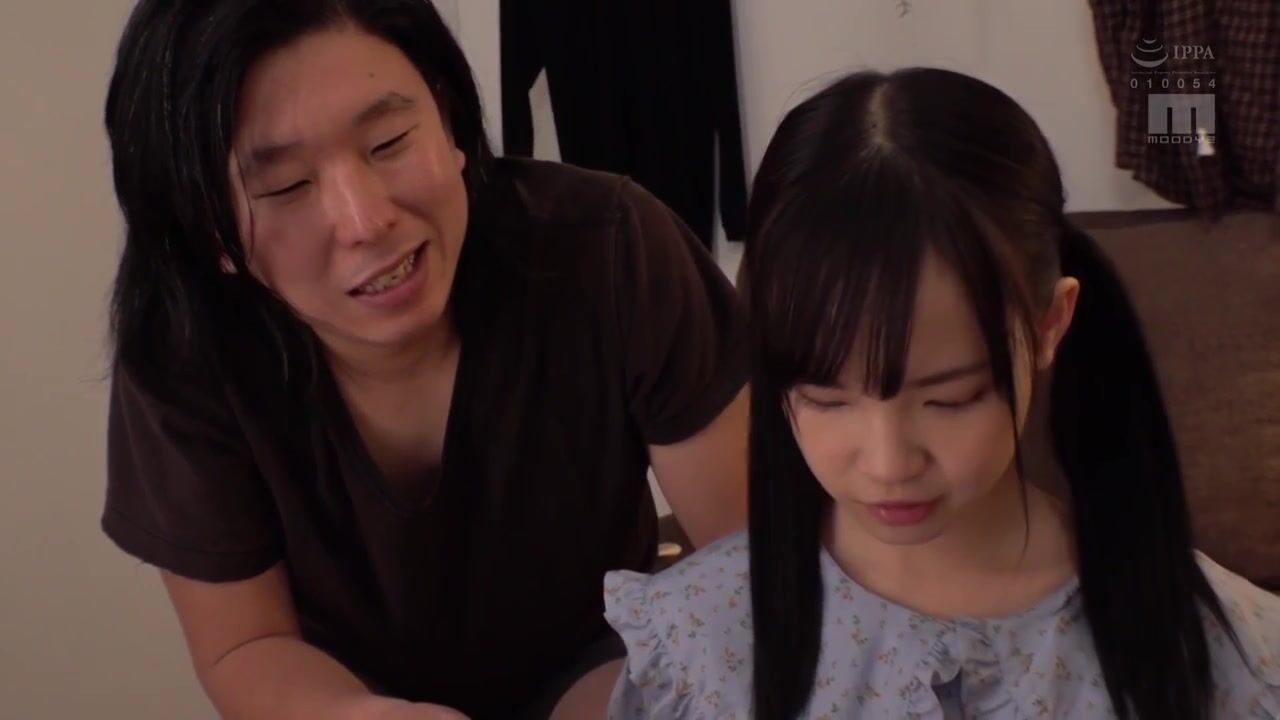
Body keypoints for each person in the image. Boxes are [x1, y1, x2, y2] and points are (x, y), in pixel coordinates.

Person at [100, 1, 749, 718]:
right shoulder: (186, 354)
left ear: (448, 121)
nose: (365, 219)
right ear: (207, 230)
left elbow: (747, 562)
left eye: (388, 142)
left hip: (608, 659)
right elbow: (245, 644)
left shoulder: (609, 250)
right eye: (286, 187)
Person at [604, 68, 1280, 719]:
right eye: (827, 399)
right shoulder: (697, 642)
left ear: (1051, 324)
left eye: (949, 399)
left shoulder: (1231, 652)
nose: (888, 463)